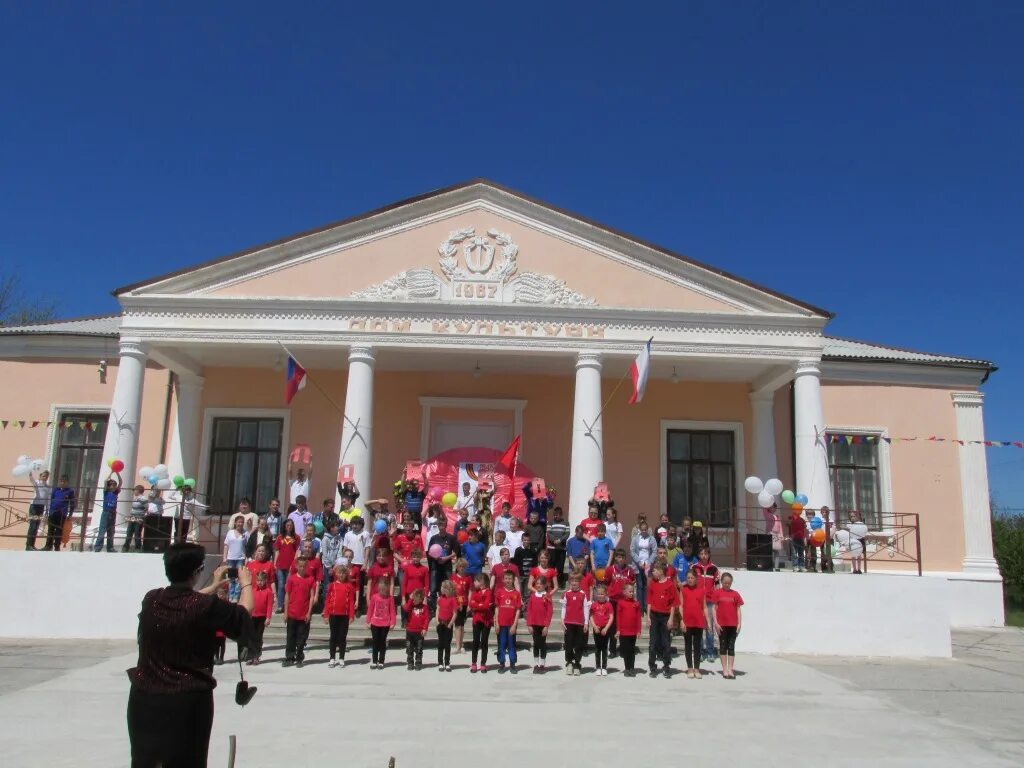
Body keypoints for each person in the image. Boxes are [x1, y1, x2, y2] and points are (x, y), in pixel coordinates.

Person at [127, 545, 253, 768]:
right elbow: (244, 613)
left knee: (145, 762)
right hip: (186, 702)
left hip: (144, 699)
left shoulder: (152, 599)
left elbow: (183, 601)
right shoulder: (206, 606)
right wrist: (246, 583)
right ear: (196, 572)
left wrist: (213, 586)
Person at [283, 555, 316, 667]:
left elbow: (311, 597)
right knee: (290, 636)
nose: (302, 568)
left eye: (304, 566)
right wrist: (285, 612)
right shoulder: (291, 579)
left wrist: (309, 612)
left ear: (307, 567)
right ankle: (289, 657)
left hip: (304, 614)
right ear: (296, 566)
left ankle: (299, 657)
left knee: (302, 638)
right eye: (300, 566)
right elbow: (287, 595)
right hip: (292, 613)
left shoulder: (310, 579)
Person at [646, 564, 677, 678]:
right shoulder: (652, 584)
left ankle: (666, 666)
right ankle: (652, 667)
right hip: (654, 616)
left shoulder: (670, 584)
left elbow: (673, 603)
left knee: (666, 643)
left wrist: (671, 618)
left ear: (660, 571)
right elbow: (649, 602)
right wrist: (648, 617)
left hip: (665, 617)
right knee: (653, 643)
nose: (652, 573)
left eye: (654, 571)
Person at [711, 572, 744, 679]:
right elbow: (714, 609)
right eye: (725, 583)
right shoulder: (717, 593)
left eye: (729, 583)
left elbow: (738, 609)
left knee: (731, 647)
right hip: (721, 625)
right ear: (721, 582)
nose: (727, 585)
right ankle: (724, 669)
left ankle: (730, 669)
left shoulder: (735, 594)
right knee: (723, 646)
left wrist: (739, 623)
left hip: (733, 625)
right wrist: (716, 623)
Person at [692, 546, 720, 663]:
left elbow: (717, 585)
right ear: (699, 555)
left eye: (706, 554)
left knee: (709, 627)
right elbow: (691, 582)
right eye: (701, 553)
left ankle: (710, 652)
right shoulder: (694, 567)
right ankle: (700, 651)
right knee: (698, 627)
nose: (703, 556)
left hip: (709, 601)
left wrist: (716, 600)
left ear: (709, 555)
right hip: (698, 601)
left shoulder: (714, 568)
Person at [561, 572, 590, 676]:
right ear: (569, 582)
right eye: (572, 581)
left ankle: (577, 664)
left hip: (580, 623)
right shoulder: (566, 594)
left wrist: (586, 623)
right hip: (568, 623)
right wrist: (562, 620)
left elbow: (586, 608)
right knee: (568, 644)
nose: (574, 583)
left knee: (579, 645)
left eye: (576, 581)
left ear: (579, 582)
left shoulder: (583, 594)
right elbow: (564, 608)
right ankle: (569, 663)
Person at [494, 570, 523, 673]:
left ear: (513, 580)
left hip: (511, 624)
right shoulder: (499, 592)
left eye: (510, 578)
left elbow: (518, 610)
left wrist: (514, 625)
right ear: (503, 580)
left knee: (511, 645)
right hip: (501, 624)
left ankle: (512, 664)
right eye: (506, 578)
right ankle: (502, 663)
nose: (508, 580)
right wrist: (496, 623)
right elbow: (497, 608)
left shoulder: (516, 594)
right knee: (501, 644)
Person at [680, 568, 706, 678]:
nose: (690, 580)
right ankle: (690, 668)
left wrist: (708, 622)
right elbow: (681, 606)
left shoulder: (702, 590)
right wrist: (682, 620)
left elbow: (704, 607)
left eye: (692, 578)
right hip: (687, 622)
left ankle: (697, 669)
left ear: (696, 579)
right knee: (688, 645)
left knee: (697, 646)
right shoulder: (683, 590)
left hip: (698, 621)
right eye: (688, 578)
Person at [366, 579, 397, 669]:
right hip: (375, 623)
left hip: (385, 624)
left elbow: (392, 611)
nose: (382, 591)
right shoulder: (374, 597)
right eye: (381, 589)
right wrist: (368, 621)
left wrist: (393, 622)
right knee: (375, 641)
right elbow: (370, 610)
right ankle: (374, 661)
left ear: (387, 588)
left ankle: (381, 661)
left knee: (382, 641)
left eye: (384, 589)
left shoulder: (390, 598)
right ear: (378, 588)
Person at [526, 575, 553, 673]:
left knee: (542, 644)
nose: (538, 585)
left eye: (540, 584)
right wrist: (529, 624)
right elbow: (529, 611)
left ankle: (542, 664)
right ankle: (536, 664)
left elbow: (550, 612)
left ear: (545, 585)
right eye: (537, 583)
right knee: (536, 644)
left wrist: (546, 626)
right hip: (534, 624)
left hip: (543, 625)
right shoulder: (533, 596)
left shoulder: (547, 596)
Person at [427, 515, 458, 601]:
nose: (442, 527)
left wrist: (446, 558)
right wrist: (436, 557)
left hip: (447, 566)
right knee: (433, 587)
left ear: (446, 525)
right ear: (437, 525)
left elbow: (455, 552)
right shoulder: (433, 538)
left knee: (448, 586)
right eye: (440, 525)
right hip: (435, 566)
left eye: (443, 525)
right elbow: (429, 552)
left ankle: (449, 603)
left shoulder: (451, 538)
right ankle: (433, 605)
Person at [469, 573, 494, 673]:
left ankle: (483, 663)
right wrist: (480, 605)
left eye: (475, 581)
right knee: (475, 641)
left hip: (486, 620)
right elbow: (471, 603)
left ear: (482, 582)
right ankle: (474, 663)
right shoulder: (475, 592)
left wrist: (478, 606)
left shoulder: (489, 592)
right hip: (477, 619)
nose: (474, 583)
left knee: (484, 641)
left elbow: (487, 605)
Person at [616, 582, 642, 677]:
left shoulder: (636, 603)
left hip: (633, 632)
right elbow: (618, 617)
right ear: (624, 592)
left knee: (632, 651)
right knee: (626, 651)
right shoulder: (620, 603)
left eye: (633, 591)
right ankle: (627, 668)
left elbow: (638, 618)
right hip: (624, 632)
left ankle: (632, 668)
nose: (632, 593)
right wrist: (618, 630)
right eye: (630, 591)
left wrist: (639, 630)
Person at [273, 519, 299, 613]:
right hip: (280, 565)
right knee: (280, 585)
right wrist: (275, 563)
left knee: (288, 586)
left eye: (290, 525)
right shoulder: (280, 537)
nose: (289, 526)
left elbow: (297, 551)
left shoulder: (296, 537)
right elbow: (277, 551)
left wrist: (294, 563)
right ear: (284, 526)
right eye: (287, 525)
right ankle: (280, 606)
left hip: (290, 565)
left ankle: (288, 605)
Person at [44, 474, 75, 551]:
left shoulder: (70, 491)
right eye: (61, 481)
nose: (62, 483)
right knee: (50, 530)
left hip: (62, 514)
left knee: (59, 530)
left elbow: (72, 503)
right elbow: (50, 500)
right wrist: (47, 511)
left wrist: (70, 514)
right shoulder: (55, 490)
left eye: (64, 481)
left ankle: (57, 547)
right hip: (52, 512)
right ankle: (48, 546)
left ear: (67, 482)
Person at [630, 521, 656, 609]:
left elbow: (654, 551)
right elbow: (632, 551)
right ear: (640, 530)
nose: (644, 531)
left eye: (645, 529)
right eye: (642, 530)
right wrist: (639, 562)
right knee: (639, 585)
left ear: (647, 529)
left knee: (647, 585)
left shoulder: (652, 539)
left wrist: (649, 563)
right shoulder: (635, 538)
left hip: (648, 564)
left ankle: (646, 606)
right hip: (638, 564)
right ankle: (640, 607)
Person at [249, 569, 273, 664]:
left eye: (261, 580)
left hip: (262, 617)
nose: (259, 582)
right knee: (251, 636)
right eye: (258, 580)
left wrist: (268, 617)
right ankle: (251, 656)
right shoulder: (253, 590)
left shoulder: (268, 591)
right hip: (253, 616)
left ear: (265, 580)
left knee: (258, 637)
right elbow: (250, 603)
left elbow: (269, 605)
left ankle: (256, 656)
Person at [93, 471, 122, 553]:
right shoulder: (106, 492)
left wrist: (117, 473)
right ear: (109, 486)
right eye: (112, 485)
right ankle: (98, 547)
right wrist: (111, 472)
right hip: (106, 513)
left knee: (111, 531)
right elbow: (105, 481)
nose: (113, 486)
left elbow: (121, 482)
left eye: (114, 485)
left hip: (113, 513)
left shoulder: (116, 492)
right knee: (102, 531)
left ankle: (110, 548)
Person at [590, 583, 615, 676]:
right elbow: (591, 616)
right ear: (596, 595)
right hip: (597, 629)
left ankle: (604, 667)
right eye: (599, 594)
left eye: (602, 594)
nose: (600, 596)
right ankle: (597, 667)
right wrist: (594, 626)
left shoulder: (608, 605)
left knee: (604, 649)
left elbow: (611, 617)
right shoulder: (594, 605)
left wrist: (606, 628)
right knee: (597, 648)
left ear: (606, 594)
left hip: (605, 629)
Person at [222, 515, 248, 601]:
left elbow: (247, 546)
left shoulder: (245, 533)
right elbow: (226, 545)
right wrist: (224, 557)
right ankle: (230, 595)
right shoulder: (230, 532)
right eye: (239, 522)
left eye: (242, 522)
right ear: (235, 523)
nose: (240, 524)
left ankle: (236, 597)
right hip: (231, 558)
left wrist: (247, 557)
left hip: (240, 558)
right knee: (231, 578)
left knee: (238, 578)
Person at [404, 588, 430, 670]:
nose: (414, 600)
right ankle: (410, 663)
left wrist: (425, 629)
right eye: (413, 599)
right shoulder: (410, 606)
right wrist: (410, 599)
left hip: (419, 632)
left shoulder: (425, 607)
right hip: (410, 631)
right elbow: (406, 609)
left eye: (416, 599)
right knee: (409, 648)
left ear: (421, 599)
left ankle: (418, 663)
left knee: (419, 649)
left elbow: (426, 619)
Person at [25, 467, 50, 550]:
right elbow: (32, 481)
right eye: (44, 476)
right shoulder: (37, 483)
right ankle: (28, 545)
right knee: (33, 525)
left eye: (46, 476)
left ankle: (32, 545)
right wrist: (30, 475)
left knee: (36, 526)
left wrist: (47, 509)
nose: (45, 478)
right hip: (34, 506)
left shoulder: (47, 487)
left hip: (41, 507)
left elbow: (47, 499)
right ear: (40, 476)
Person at [451, 558, 472, 656]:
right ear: (457, 567)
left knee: (462, 625)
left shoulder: (468, 578)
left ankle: (461, 645)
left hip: (464, 603)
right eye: (460, 566)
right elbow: (451, 591)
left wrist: (469, 604)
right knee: (457, 625)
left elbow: (470, 591)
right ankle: (457, 646)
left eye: (463, 566)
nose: (462, 568)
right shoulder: (453, 577)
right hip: (455, 604)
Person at [436, 580, 458, 671]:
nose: (441, 589)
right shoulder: (440, 598)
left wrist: (450, 624)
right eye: (441, 587)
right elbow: (438, 609)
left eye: (442, 587)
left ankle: (447, 663)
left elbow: (455, 613)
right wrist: (437, 621)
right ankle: (440, 663)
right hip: (440, 624)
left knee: (447, 645)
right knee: (440, 644)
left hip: (448, 625)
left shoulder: (453, 599)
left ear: (447, 589)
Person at [545, 506, 570, 588]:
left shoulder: (566, 523)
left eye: (557, 515)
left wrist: (560, 540)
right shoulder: (550, 522)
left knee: (560, 567)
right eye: (555, 515)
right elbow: (549, 533)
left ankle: (560, 583)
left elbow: (567, 533)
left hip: (561, 548)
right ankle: (550, 583)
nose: (556, 516)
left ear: (561, 515)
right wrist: (554, 540)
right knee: (551, 566)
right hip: (552, 548)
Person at [512, 532, 539, 598]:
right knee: (519, 592)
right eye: (525, 540)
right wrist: (516, 574)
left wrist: (534, 575)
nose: (526, 541)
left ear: (530, 540)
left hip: (529, 576)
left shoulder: (533, 550)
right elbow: (515, 563)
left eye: (528, 540)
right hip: (520, 575)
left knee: (527, 593)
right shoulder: (518, 550)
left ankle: (527, 604)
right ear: (522, 540)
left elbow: (535, 563)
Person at [123, 484, 146, 553]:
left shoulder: (143, 498)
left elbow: (146, 506)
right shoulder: (135, 498)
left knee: (137, 533)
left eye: (135, 490)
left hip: (139, 517)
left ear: (138, 491)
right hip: (132, 516)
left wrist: (142, 516)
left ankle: (138, 548)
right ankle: (126, 547)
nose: (134, 492)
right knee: (129, 532)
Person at [847, 510, 869, 574]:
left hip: (860, 539)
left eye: (854, 516)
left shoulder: (861, 524)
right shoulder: (850, 524)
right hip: (853, 540)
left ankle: (859, 569)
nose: (852, 518)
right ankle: (854, 569)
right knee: (853, 554)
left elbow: (864, 531)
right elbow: (850, 531)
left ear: (857, 517)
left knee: (859, 554)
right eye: (851, 516)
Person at [788, 505, 808, 572]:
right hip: (794, 538)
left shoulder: (802, 520)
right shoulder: (791, 518)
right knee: (794, 553)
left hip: (801, 538)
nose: (798, 511)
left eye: (799, 510)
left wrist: (804, 538)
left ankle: (801, 566)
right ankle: (795, 566)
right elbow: (789, 524)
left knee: (801, 553)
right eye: (796, 510)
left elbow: (804, 530)